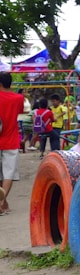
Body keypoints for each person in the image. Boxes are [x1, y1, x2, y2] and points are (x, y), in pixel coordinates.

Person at [0, 72, 25, 215]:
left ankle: (2, 204)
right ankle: (2, 203)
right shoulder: (18, 98)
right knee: (8, 174)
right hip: (11, 140)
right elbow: (20, 112)